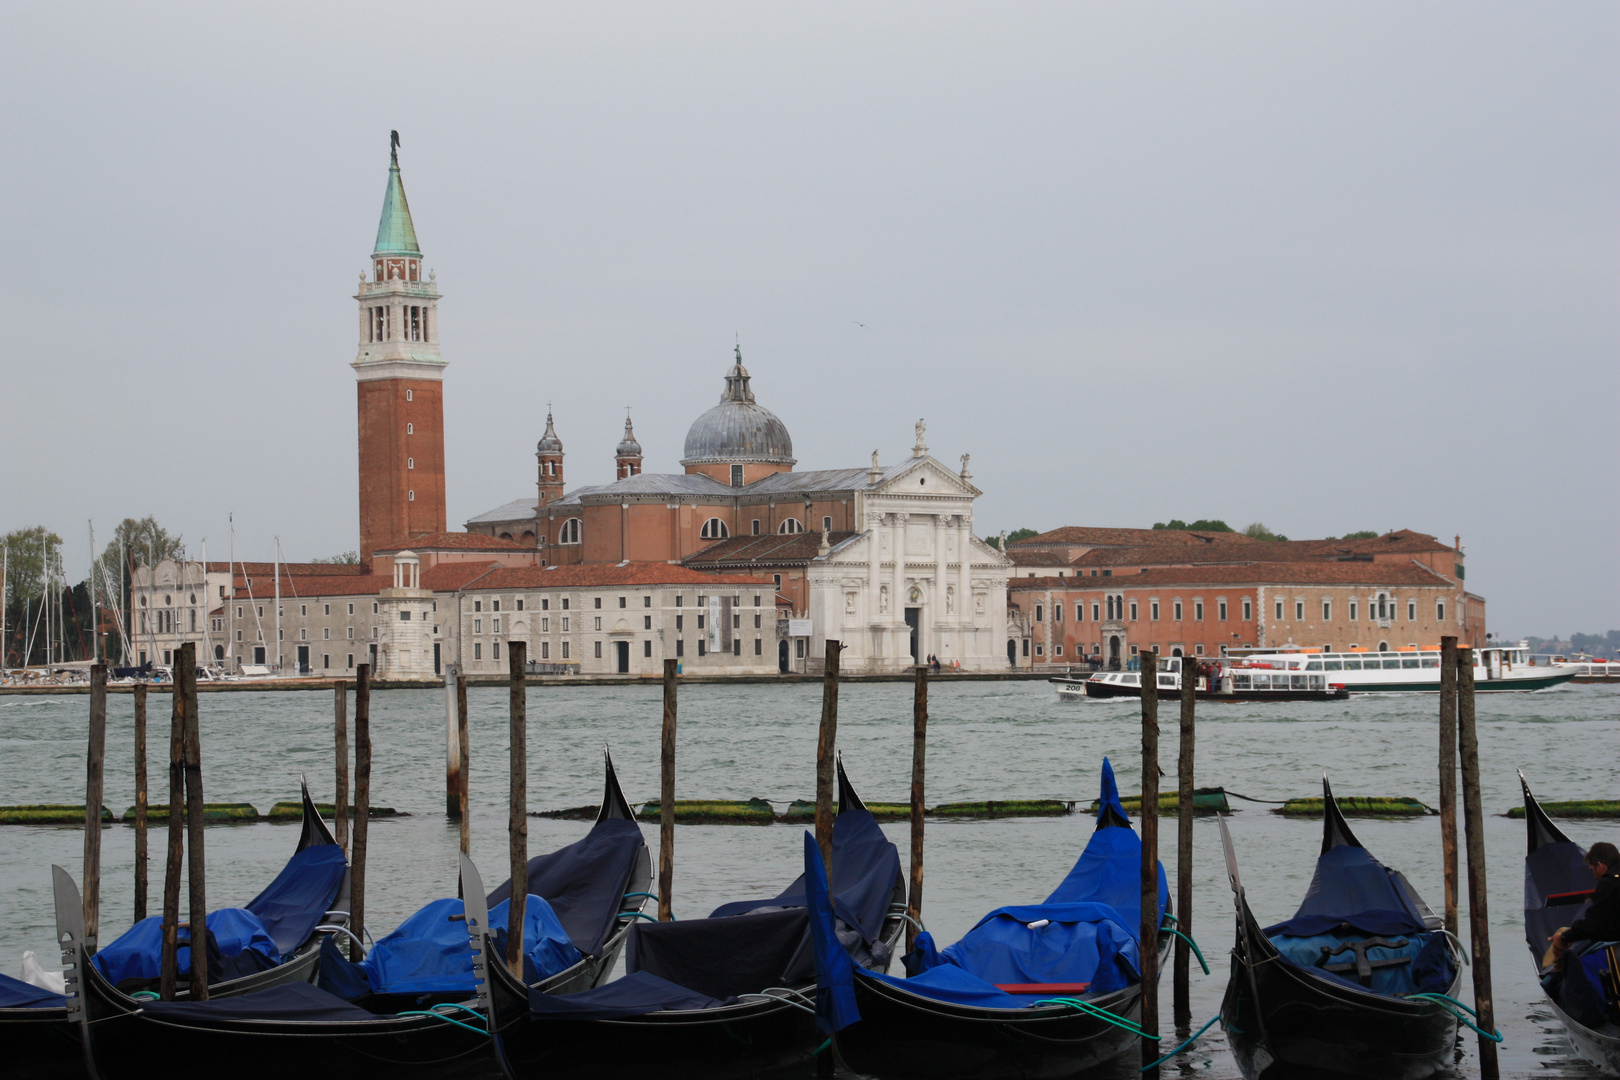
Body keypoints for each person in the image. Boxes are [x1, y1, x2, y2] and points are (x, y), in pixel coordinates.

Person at [1551, 841, 1620, 952]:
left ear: (1600, 865)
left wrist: (1565, 936)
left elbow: (1593, 925)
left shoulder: (1609, 882)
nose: (1595, 877)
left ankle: (1556, 966)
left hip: (1613, 945)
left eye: (1593, 870)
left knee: (1561, 937)